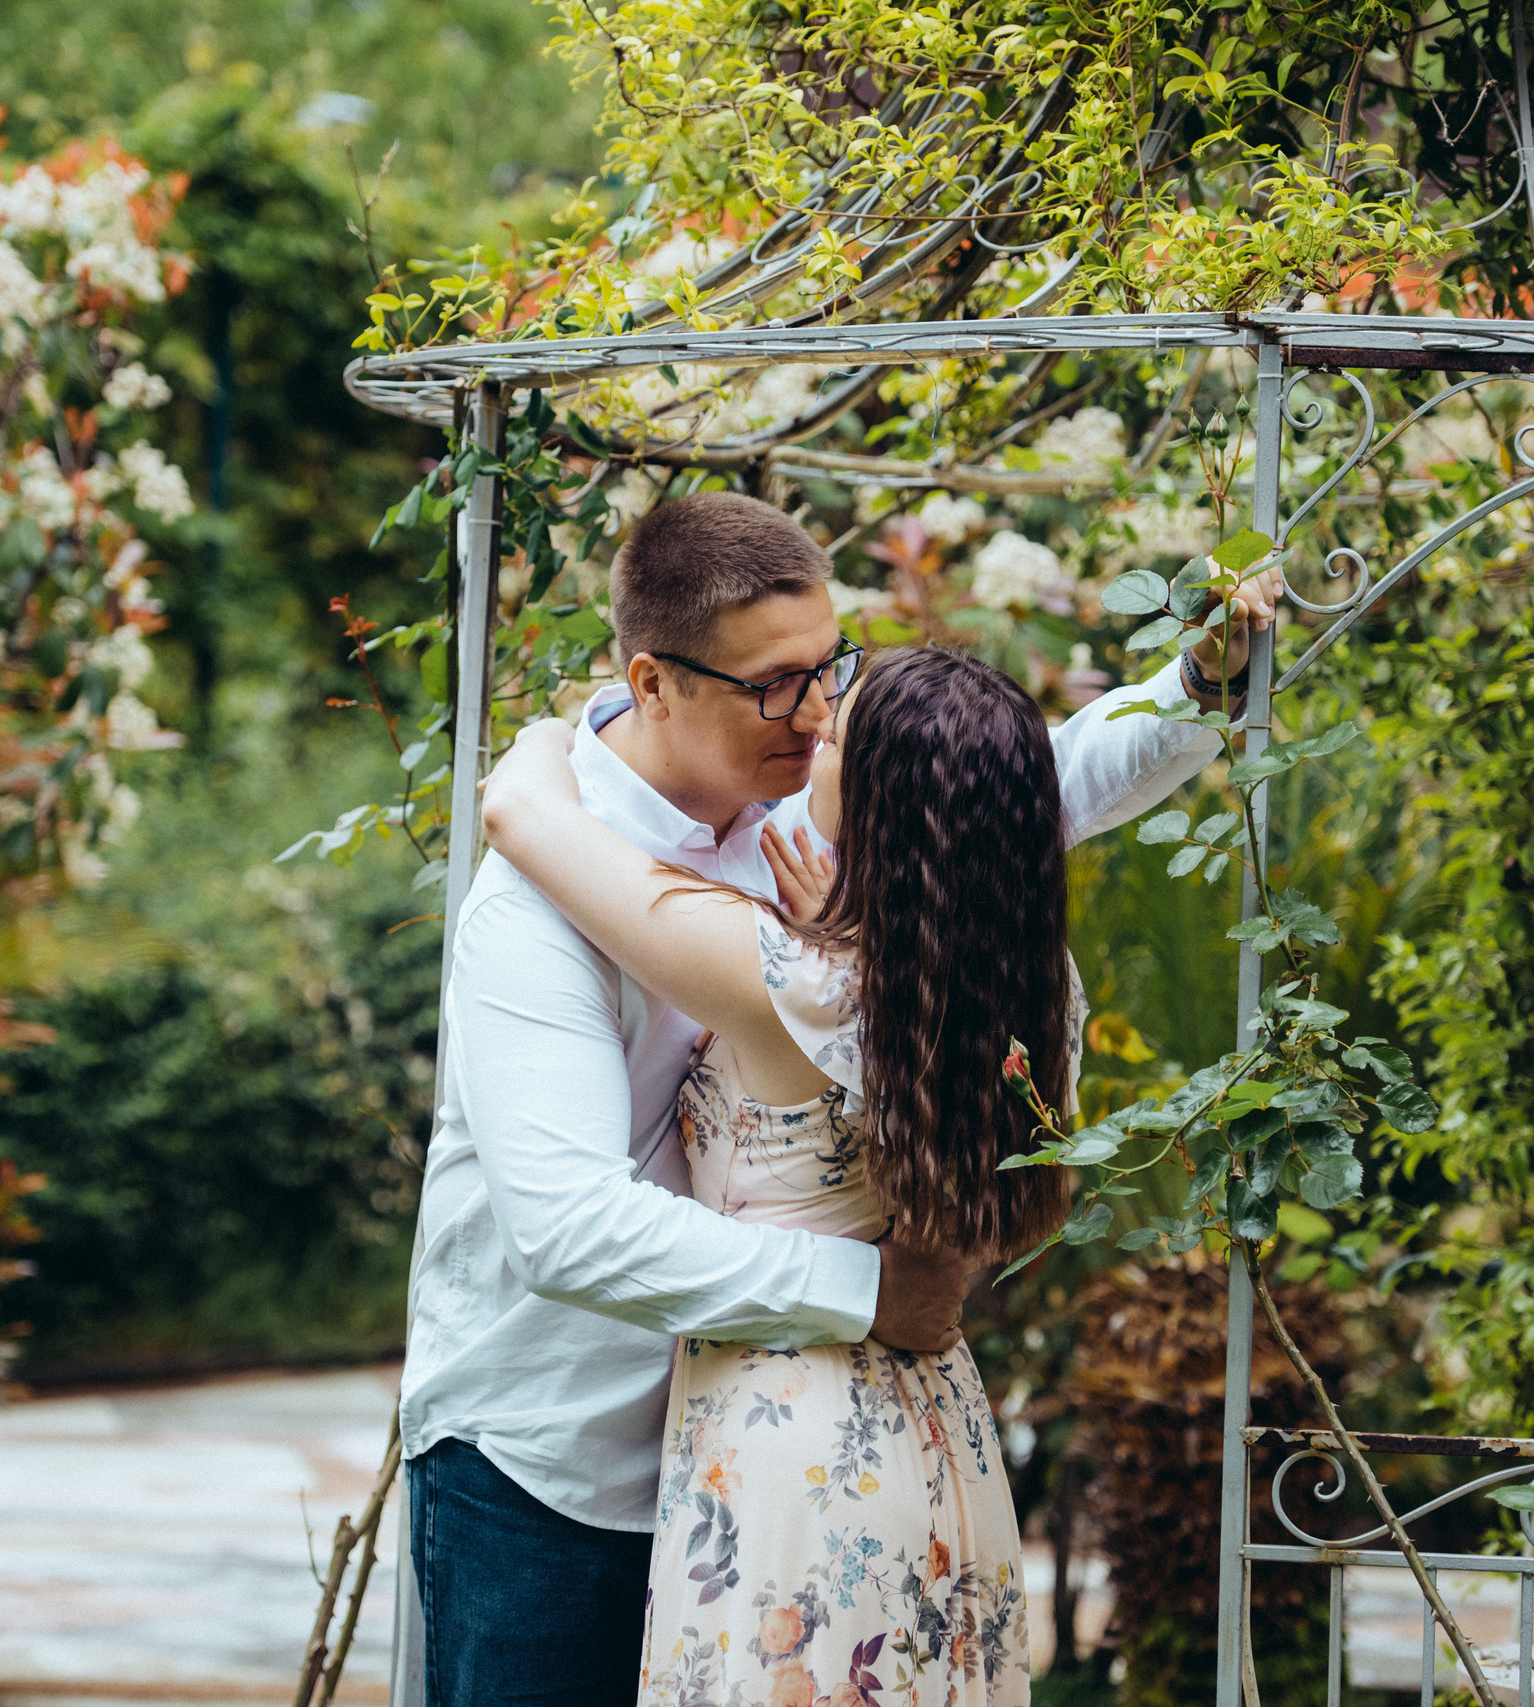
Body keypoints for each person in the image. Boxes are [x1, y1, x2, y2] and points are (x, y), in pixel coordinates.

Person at [402, 491, 1274, 1707]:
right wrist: (874, 1293)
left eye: (829, 672)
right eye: (776, 685)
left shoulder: (809, 838)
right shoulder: (538, 900)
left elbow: (1008, 796)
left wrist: (1190, 688)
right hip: (564, 1465)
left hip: (781, 1451)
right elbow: (565, 1224)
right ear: (650, 684)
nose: (814, 716)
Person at [483, 640, 1091, 1705]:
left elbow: (523, 818)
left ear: (885, 804)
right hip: (940, 1436)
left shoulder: (783, 980)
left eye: (840, 732)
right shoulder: (1038, 993)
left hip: (793, 1448)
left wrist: (554, 727)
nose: (813, 728)